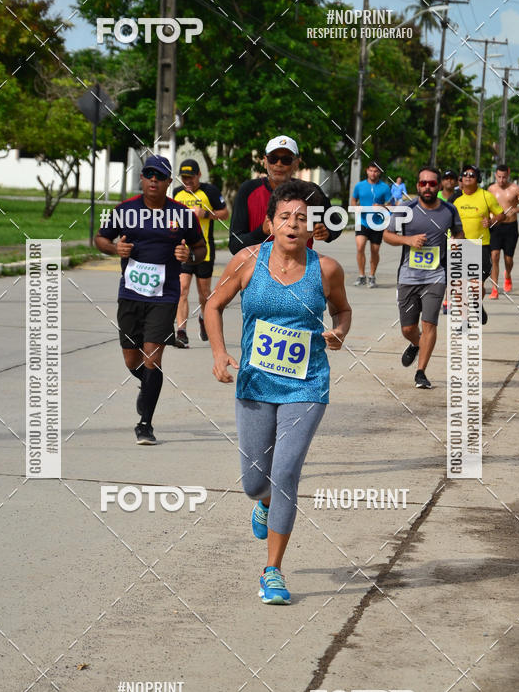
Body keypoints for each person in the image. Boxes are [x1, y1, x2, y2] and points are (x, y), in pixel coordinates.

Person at [205, 179, 351, 605]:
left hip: (307, 383)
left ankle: (273, 571)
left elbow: (342, 309)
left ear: (313, 227)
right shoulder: (248, 260)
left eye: (302, 218)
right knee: (255, 482)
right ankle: (262, 502)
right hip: (255, 381)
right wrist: (218, 352)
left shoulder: (325, 269)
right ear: (270, 223)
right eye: (285, 216)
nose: (293, 223)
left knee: (285, 473)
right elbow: (213, 305)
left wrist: (339, 331)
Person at [95, 154, 206, 444]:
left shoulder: (183, 215)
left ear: (170, 182)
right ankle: (146, 384)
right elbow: (100, 238)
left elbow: (200, 248)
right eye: (149, 174)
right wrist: (114, 249)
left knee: (152, 357)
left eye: (160, 176)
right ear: (142, 178)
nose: (154, 180)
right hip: (130, 295)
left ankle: (145, 424)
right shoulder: (124, 210)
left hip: (164, 296)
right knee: (132, 360)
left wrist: (189, 256)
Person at [384, 166, 463, 389]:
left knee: (430, 323)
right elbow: (387, 236)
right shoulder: (405, 209)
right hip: (408, 276)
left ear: (438, 186)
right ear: (417, 185)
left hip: (436, 276)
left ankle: (421, 372)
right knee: (408, 328)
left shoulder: (449, 210)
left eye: (432, 183)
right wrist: (407, 241)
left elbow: (458, 233)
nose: (427, 187)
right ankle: (416, 344)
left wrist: (458, 245)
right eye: (423, 183)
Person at [228, 135, 340, 255]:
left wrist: (327, 232)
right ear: (265, 162)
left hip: (300, 268)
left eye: (286, 160)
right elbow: (235, 245)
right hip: (257, 269)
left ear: (297, 163)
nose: (279, 164)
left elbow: (336, 223)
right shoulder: (248, 190)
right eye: (273, 159)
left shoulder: (310, 191)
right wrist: (261, 231)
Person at [172, 159, 228, 347]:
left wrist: (205, 214)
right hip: (184, 250)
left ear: (199, 176)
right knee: (182, 290)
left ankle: (204, 319)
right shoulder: (177, 193)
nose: (187, 181)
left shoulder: (209, 191)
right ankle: (181, 331)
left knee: (204, 294)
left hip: (205, 250)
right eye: (184, 178)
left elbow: (225, 213)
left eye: (190, 177)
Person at [452, 164, 504, 324]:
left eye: (472, 175)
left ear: (478, 179)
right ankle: (464, 320)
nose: (468, 176)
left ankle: (477, 304)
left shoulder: (486, 196)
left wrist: (491, 221)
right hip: (460, 246)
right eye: (465, 174)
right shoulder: (456, 199)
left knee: (476, 284)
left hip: (480, 245)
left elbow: (501, 215)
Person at [487, 164, 519, 298]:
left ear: (508, 175)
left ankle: (508, 275)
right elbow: (486, 207)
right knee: (494, 256)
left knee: (508, 259)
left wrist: (516, 209)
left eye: (504, 177)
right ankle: (494, 288)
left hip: (510, 227)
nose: (501, 180)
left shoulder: (515, 189)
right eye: (499, 177)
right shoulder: (491, 189)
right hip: (495, 227)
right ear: (495, 175)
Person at [350, 160, 394, 287]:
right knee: (360, 247)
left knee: (374, 251)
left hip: (377, 223)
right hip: (362, 221)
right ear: (367, 171)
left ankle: (372, 275)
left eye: (376, 171)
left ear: (379, 172)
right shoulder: (359, 186)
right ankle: (361, 275)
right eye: (371, 170)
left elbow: (390, 205)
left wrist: (380, 206)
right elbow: (354, 199)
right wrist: (355, 208)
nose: (373, 173)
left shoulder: (385, 187)